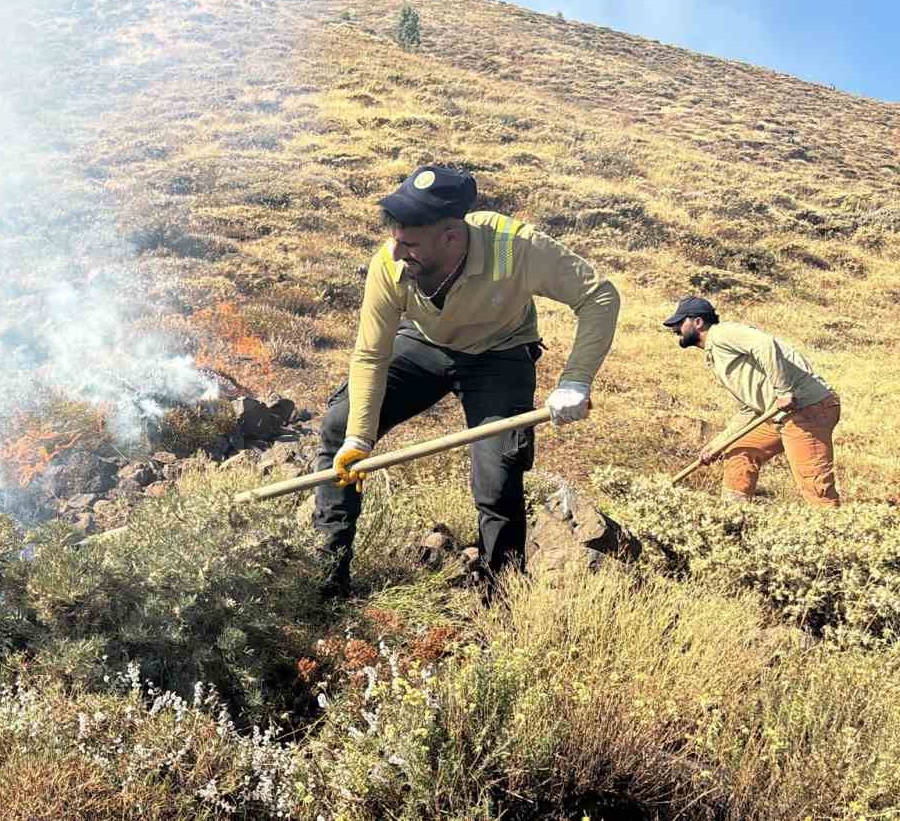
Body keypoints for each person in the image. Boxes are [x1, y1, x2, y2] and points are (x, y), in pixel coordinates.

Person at [315, 165, 621, 599]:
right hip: (424, 343)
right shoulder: (390, 260)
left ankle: (500, 596)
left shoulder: (514, 247)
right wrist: (359, 439)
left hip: (499, 355)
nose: (399, 252)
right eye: (396, 238)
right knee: (338, 429)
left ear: (452, 237)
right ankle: (327, 574)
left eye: (411, 244)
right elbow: (370, 355)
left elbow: (599, 296)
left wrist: (575, 380)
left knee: (497, 479)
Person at [663, 296, 841, 506]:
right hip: (782, 415)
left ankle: (831, 532)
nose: (675, 328)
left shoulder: (722, 333)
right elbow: (749, 408)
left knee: (814, 485)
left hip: (807, 409)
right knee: (740, 451)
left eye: (679, 323)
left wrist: (783, 390)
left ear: (698, 322)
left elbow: (764, 343)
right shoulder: (716, 354)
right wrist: (718, 444)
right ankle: (733, 516)